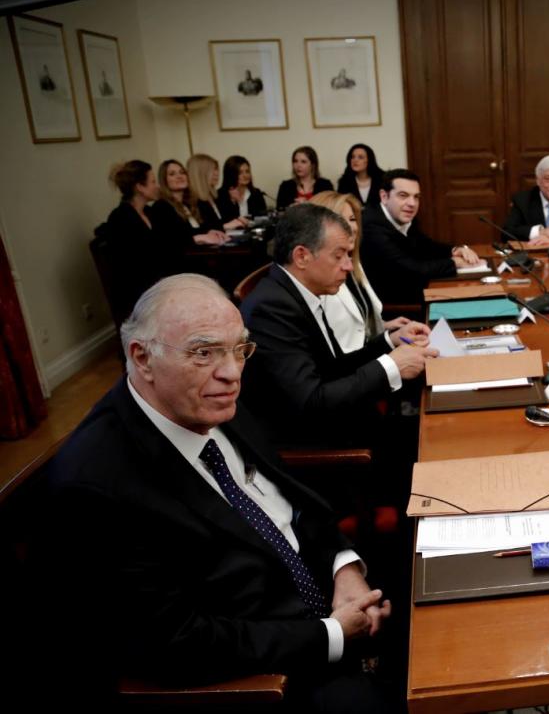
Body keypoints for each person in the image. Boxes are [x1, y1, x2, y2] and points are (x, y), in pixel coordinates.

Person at [45, 274, 396, 711]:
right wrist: (333, 635)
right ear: (142, 357)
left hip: (323, 594)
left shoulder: (206, 398)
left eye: (239, 349)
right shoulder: (96, 487)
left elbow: (289, 502)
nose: (231, 373)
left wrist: (345, 570)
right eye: (203, 352)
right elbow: (176, 643)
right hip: (264, 675)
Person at [239, 203, 436, 451]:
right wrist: (391, 366)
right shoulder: (271, 308)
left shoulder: (298, 293)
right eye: (338, 255)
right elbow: (310, 401)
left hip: (345, 424)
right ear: (302, 256)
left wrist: (389, 341)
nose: (348, 266)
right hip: (321, 447)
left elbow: (335, 368)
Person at [359, 169, 481, 305]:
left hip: (411, 290)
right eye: (403, 195)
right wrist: (454, 263)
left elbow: (425, 245)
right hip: (392, 306)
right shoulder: (371, 227)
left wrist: (455, 250)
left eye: (416, 197)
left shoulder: (401, 216)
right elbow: (409, 270)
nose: (412, 203)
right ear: (384, 197)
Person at [310, 191, 405, 352]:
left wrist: (386, 328)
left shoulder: (353, 263)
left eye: (352, 219)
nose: (352, 227)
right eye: (340, 220)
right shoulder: (319, 279)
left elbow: (358, 326)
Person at [98, 160, 184, 320]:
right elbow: (133, 265)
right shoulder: (121, 218)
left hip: (159, 283)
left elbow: (169, 246)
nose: (157, 186)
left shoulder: (151, 213)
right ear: (140, 187)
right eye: (153, 182)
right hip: (139, 291)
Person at [149, 159, 231, 249]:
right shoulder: (161, 207)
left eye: (182, 172)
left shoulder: (193, 203)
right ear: (164, 180)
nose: (179, 176)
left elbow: (214, 226)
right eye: (172, 174)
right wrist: (199, 238)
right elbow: (169, 241)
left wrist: (211, 232)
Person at [187, 153, 248, 231]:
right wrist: (225, 226)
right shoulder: (193, 201)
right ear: (200, 173)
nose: (217, 173)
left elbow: (224, 220)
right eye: (212, 170)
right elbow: (203, 230)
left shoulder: (213, 196)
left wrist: (237, 218)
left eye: (216, 169)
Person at [217, 154, 268, 220]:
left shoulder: (256, 193)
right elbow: (222, 221)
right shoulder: (220, 195)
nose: (245, 175)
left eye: (247, 171)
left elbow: (264, 218)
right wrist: (233, 202)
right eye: (240, 173)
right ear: (231, 174)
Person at [336, 143, 385, 209]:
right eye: (352, 157)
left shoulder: (382, 179)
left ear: (369, 160)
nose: (355, 160)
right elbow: (341, 206)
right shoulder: (344, 182)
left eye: (360, 157)